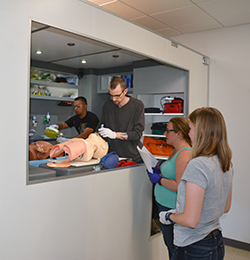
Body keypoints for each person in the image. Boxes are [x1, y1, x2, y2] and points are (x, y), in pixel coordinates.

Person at [159, 107, 234, 260]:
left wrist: (168, 216)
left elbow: (190, 220)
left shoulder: (198, 165)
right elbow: (225, 207)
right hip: (215, 240)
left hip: (193, 245)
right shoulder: (224, 161)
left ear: (201, 132)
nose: (189, 133)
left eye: (191, 128)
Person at [146, 117, 192, 259]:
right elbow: (174, 174)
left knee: (174, 250)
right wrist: (161, 172)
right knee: (170, 246)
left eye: (168, 131)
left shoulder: (184, 153)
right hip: (164, 205)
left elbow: (180, 185)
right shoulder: (176, 150)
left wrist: (159, 180)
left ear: (179, 134)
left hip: (171, 208)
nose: (164, 134)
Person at [98, 77, 144, 163]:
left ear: (125, 91)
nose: (114, 99)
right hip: (113, 156)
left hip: (133, 156)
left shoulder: (137, 105)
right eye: (111, 95)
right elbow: (100, 126)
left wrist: (115, 135)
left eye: (117, 95)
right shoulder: (107, 106)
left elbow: (137, 134)